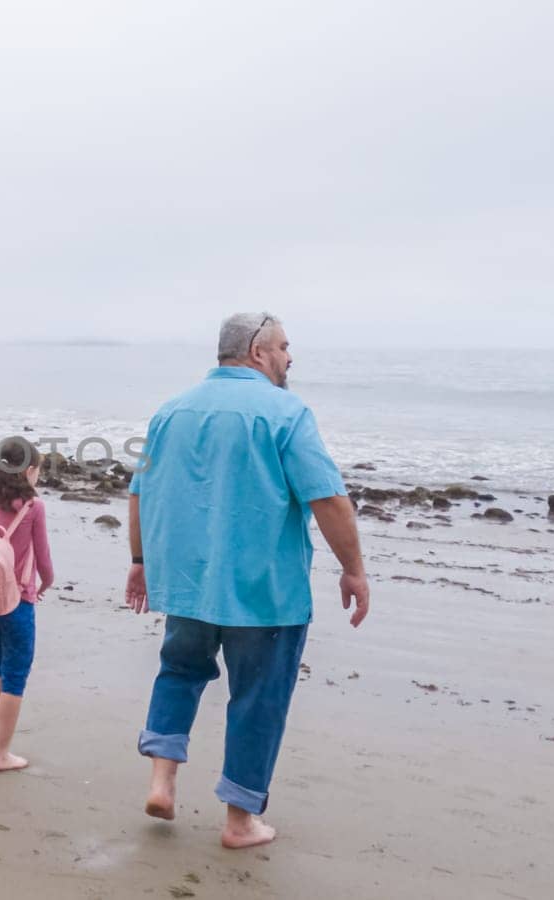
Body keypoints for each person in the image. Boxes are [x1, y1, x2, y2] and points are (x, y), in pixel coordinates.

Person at [125, 312, 369, 849]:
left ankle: (162, 781)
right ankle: (239, 822)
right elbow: (327, 498)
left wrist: (140, 561)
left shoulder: (170, 411)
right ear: (257, 352)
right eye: (283, 348)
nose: (289, 358)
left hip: (189, 584)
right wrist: (352, 568)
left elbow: (140, 491)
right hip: (266, 593)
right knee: (258, 697)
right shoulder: (286, 412)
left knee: (179, 672)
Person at [0, 438, 54, 772]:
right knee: (15, 676)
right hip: (17, 602)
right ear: (30, 471)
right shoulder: (33, 507)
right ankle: (3, 754)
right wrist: (45, 582)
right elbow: (43, 556)